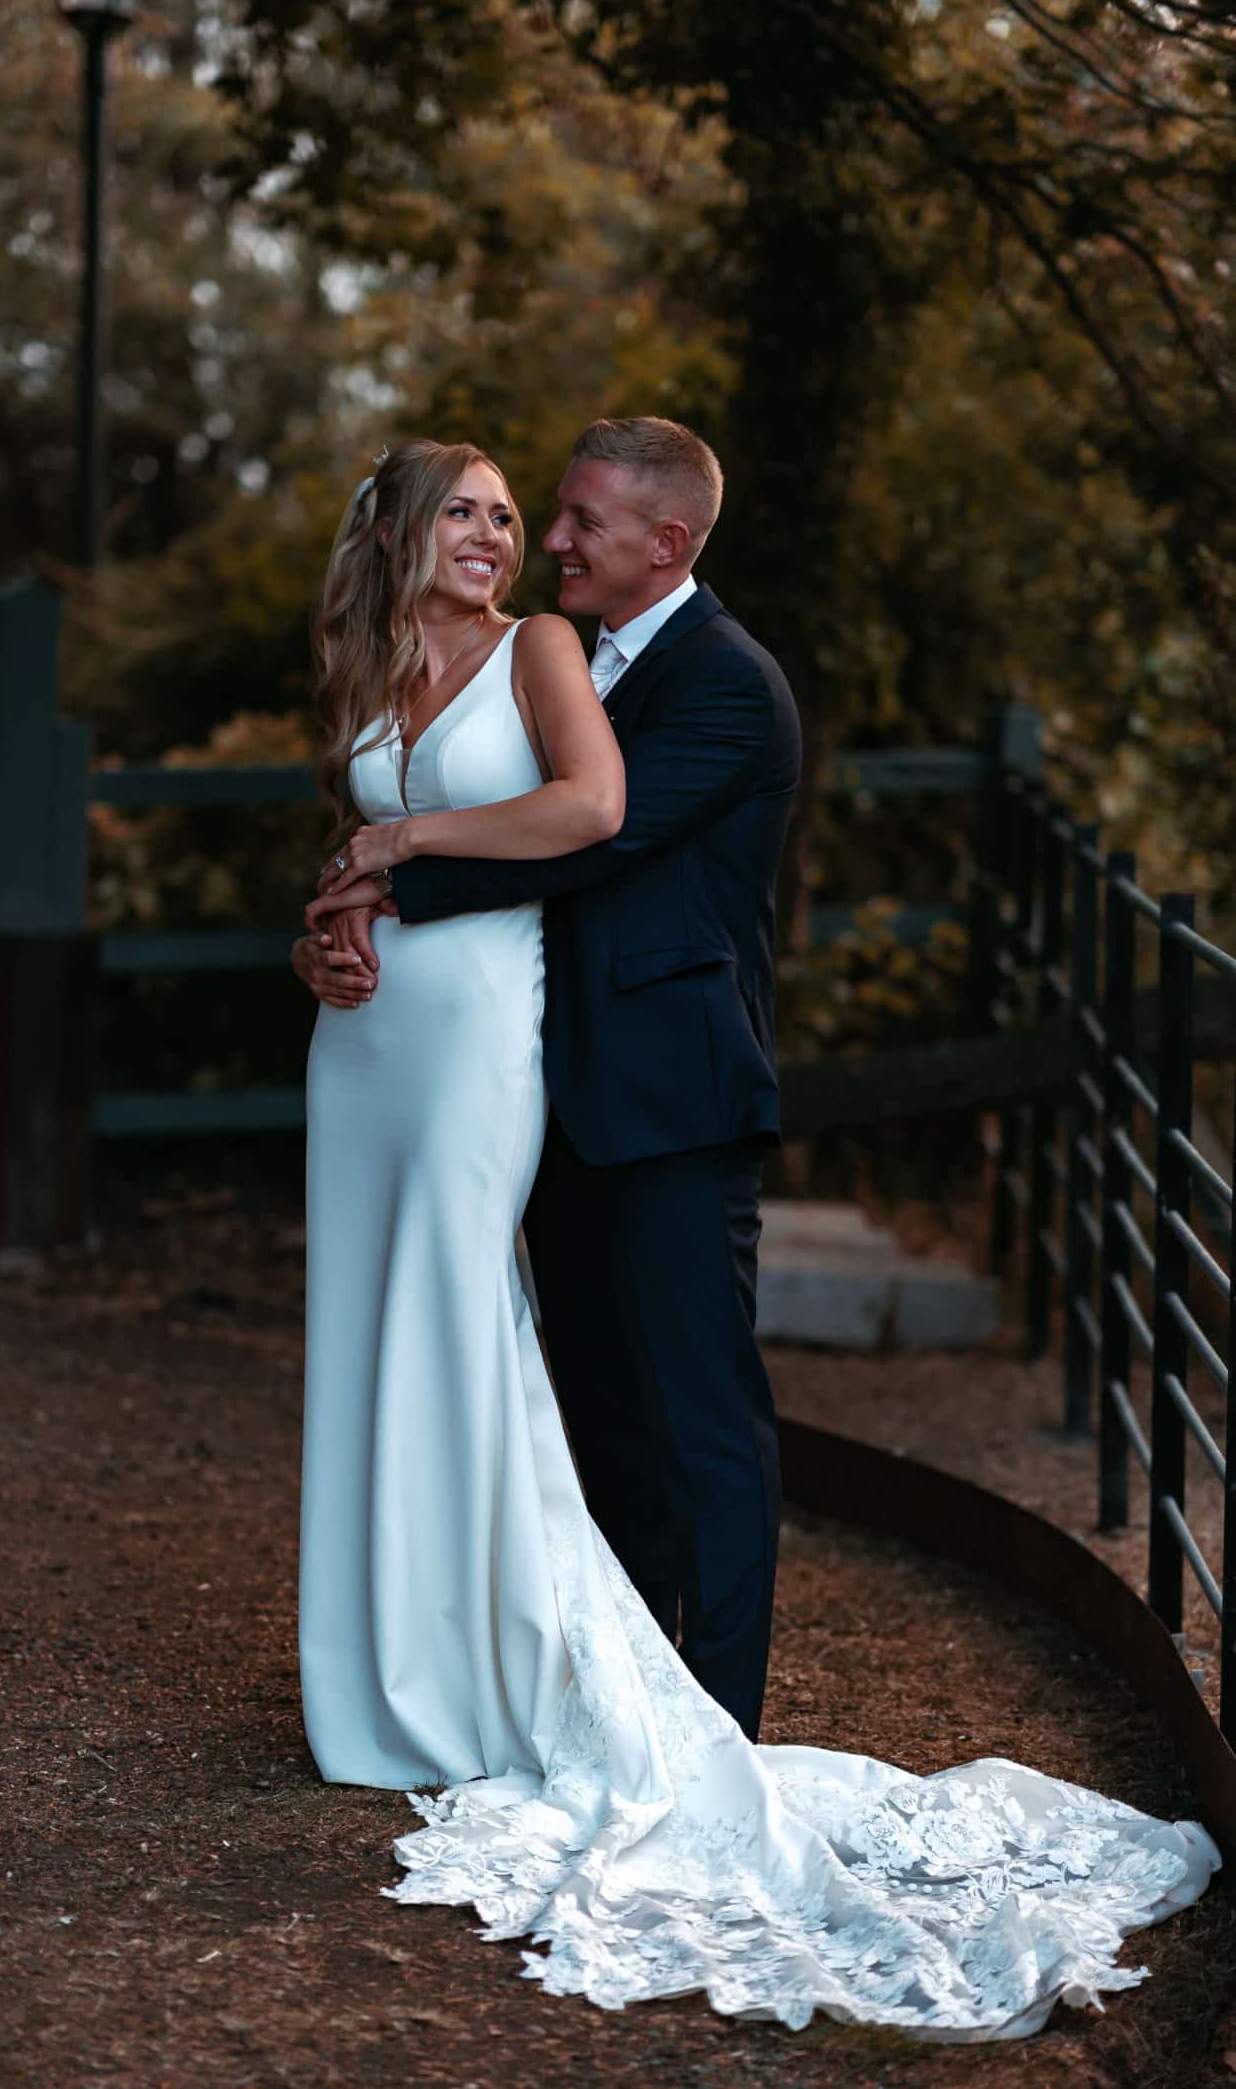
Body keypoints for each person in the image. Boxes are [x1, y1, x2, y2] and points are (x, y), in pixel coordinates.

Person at [292, 424, 1218, 2037]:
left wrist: (392, 863)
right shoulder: (572, 653)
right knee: (593, 1414)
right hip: (555, 1081)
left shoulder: (726, 682)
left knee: (704, 1419)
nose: (551, 541)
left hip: (668, 1096)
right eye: (530, 514)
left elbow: (606, 835)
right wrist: (350, 910)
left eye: (572, 520)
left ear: (664, 539)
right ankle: (590, 1686)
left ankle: (707, 1725)